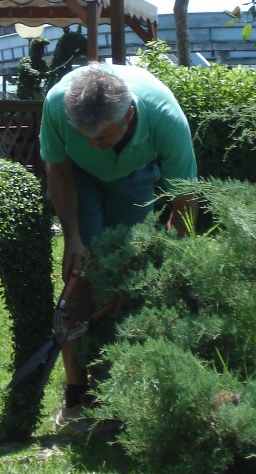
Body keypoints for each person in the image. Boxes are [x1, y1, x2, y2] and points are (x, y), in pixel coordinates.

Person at [39, 61, 198, 430]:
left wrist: (171, 259)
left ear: (128, 116)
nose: (93, 144)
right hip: (77, 176)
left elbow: (185, 198)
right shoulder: (57, 104)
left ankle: (122, 389)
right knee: (82, 277)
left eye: (102, 138)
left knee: (131, 280)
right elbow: (58, 170)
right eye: (85, 136)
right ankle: (77, 397)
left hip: (135, 173)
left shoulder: (166, 120)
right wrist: (73, 238)